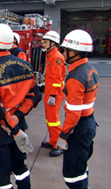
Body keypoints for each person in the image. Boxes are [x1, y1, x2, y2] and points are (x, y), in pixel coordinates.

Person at [0, 23, 42, 189]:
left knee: (1, 172)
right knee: (20, 168)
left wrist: (12, 127)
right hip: (19, 124)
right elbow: (35, 96)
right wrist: (17, 117)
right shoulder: (25, 65)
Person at [57, 29, 98, 189]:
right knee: (81, 165)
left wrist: (63, 135)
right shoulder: (90, 69)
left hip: (78, 128)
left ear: (74, 51)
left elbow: (73, 114)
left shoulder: (75, 77)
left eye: (65, 50)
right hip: (89, 124)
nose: (63, 53)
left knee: (73, 175)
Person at [41, 30, 66, 157]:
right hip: (50, 91)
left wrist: (53, 95)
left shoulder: (56, 57)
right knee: (49, 118)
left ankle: (59, 145)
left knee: (54, 120)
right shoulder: (50, 55)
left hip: (54, 93)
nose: (43, 44)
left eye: (45, 42)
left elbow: (57, 79)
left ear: (53, 43)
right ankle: (53, 141)